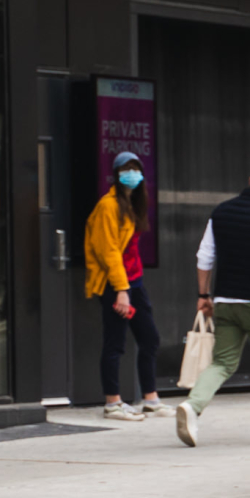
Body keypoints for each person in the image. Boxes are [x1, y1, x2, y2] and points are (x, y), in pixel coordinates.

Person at [176, 158, 250, 447]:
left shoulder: (221, 211)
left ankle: (193, 406)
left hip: (225, 299)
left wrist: (204, 295)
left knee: (222, 363)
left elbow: (204, 256)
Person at [84, 150, 161, 421]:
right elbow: (109, 253)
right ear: (116, 175)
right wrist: (121, 290)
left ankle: (151, 399)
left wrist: (130, 286)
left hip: (133, 282)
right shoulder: (108, 206)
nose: (133, 175)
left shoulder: (132, 204)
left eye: (136, 169)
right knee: (115, 343)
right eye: (126, 170)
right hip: (115, 285)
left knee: (149, 338)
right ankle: (112, 403)